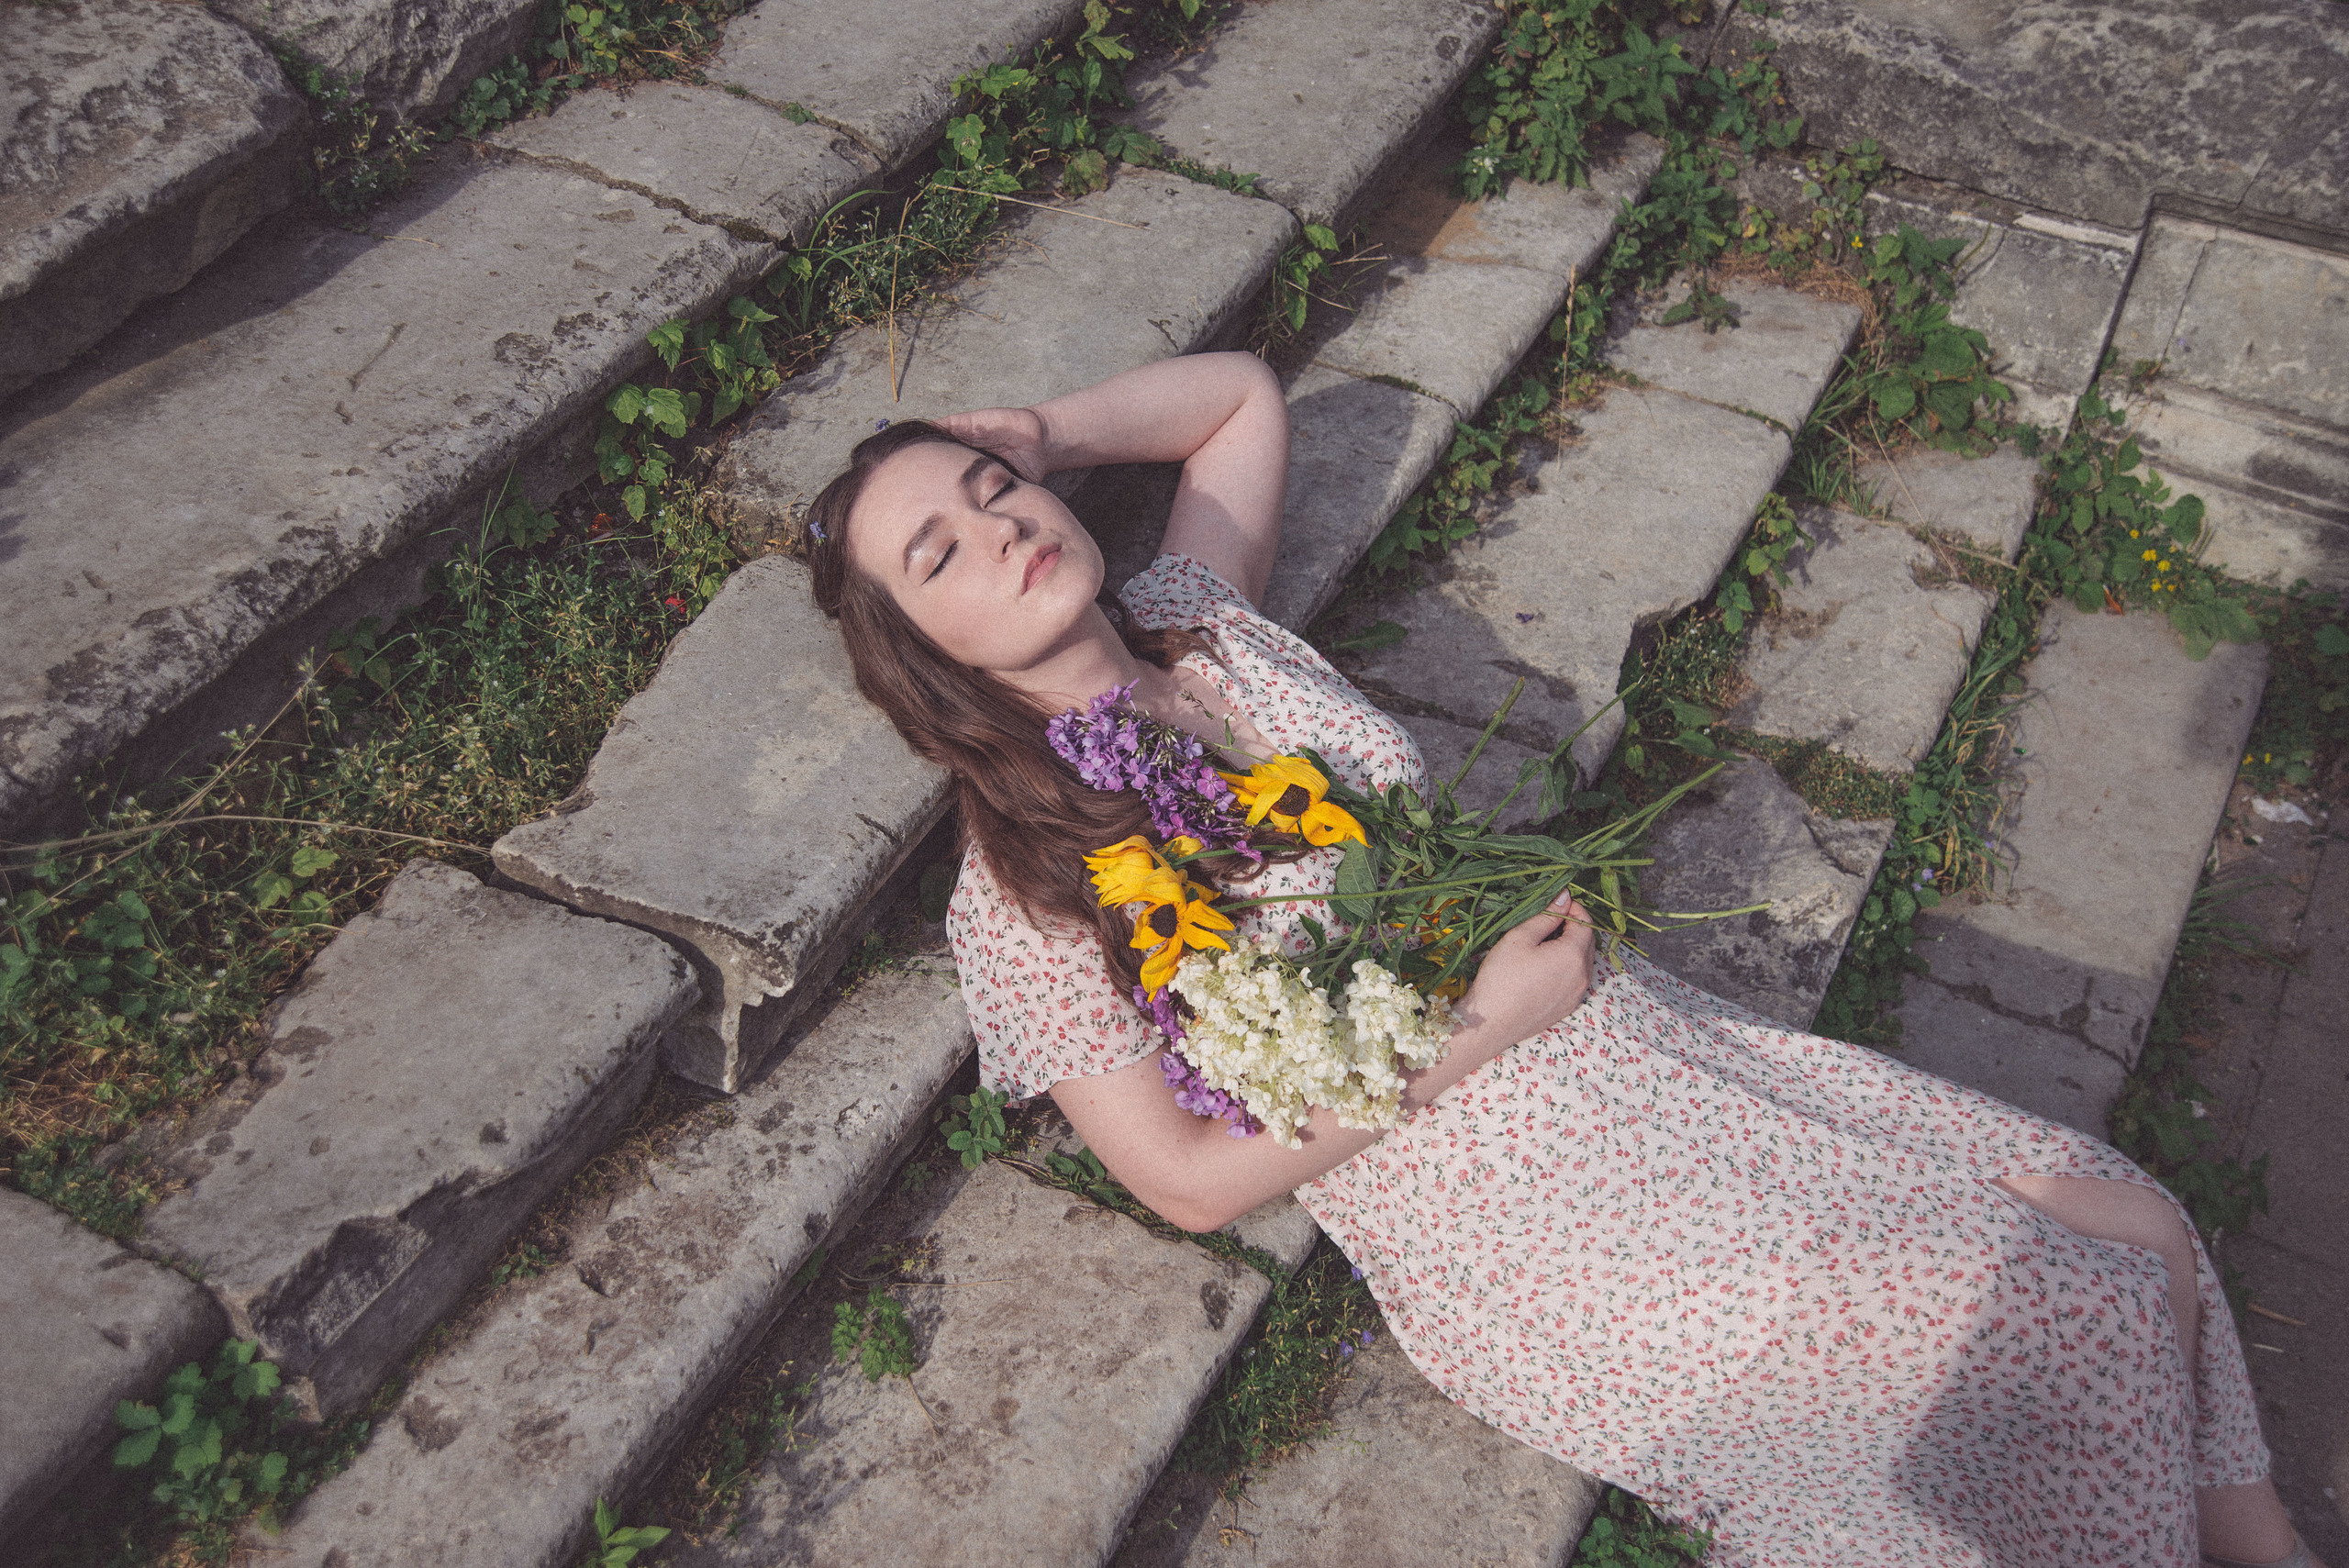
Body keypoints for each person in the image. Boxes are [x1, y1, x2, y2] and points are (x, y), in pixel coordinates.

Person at [806, 351, 2318, 1568]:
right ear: (917, 649)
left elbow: (1236, 399)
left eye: (999, 491)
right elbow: (1186, 1179)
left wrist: (1036, 425)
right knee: (2046, 1314)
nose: (1004, 525)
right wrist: (1484, 1020)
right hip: (1522, 1211)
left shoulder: (1204, 630)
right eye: (942, 547)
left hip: (1652, 1058)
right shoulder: (1020, 888)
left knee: (2136, 1224)